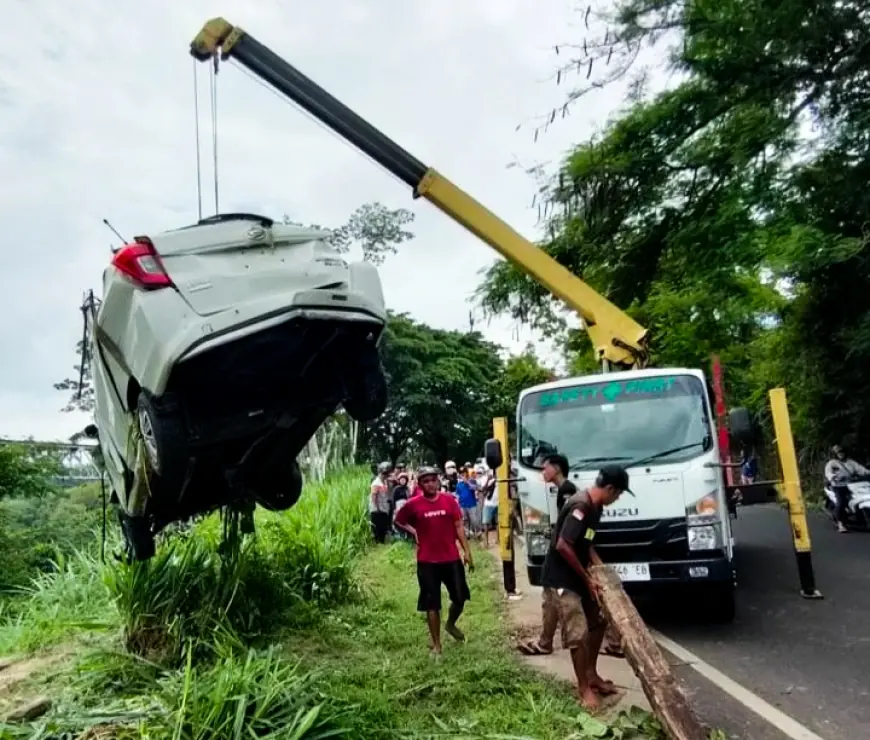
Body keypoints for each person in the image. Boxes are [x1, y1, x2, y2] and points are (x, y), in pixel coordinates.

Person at [540, 464, 633, 709]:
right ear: (610, 488)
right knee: (578, 633)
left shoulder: (596, 508)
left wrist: (601, 572)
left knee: (599, 621)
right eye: (619, 493)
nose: (618, 498)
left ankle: (592, 675)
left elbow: (586, 543)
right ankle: (583, 688)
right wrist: (587, 578)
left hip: (580, 575)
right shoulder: (580, 505)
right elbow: (563, 545)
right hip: (562, 577)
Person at [394, 465, 474, 657]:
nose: (430, 484)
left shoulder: (449, 501)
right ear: (420, 484)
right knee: (432, 604)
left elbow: (458, 525)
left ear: (438, 481)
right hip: (427, 561)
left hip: (451, 558)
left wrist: (467, 551)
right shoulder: (413, 504)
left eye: (433, 480)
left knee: (460, 597)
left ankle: (451, 624)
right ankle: (437, 645)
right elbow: (398, 520)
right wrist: (414, 532)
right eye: (425, 481)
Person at [518, 453, 575, 656]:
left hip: (561, 554)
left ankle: (546, 642)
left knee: (554, 596)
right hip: (560, 552)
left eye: (545, 468)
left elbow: (568, 525)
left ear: (557, 468)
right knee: (552, 596)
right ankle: (546, 640)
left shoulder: (567, 491)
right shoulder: (563, 490)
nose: (543, 472)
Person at [825, 444, 870, 533]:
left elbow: (861, 470)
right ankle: (840, 524)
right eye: (838, 452)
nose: (840, 454)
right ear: (834, 454)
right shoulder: (832, 463)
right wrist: (834, 477)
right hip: (838, 486)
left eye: (842, 452)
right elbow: (828, 473)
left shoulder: (851, 462)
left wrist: (868, 472)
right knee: (841, 502)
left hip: (852, 485)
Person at [369, 461, 393, 544]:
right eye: (386, 474)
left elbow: (387, 494)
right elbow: (373, 497)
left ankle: (381, 543)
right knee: (378, 529)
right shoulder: (376, 483)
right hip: (377, 511)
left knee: (383, 528)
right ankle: (377, 544)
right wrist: (377, 508)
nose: (386, 476)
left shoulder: (384, 483)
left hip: (383, 509)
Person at [456, 469, 480, 536]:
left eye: (464, 473)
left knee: (474, 520)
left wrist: (467, 482)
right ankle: (467, 534)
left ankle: (478, 532)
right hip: (462, 505)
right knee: (465, 520)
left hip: (471, 504)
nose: (462, 475)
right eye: (461, 474)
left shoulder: (472, 481)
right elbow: (458, 495)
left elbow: (475, 488)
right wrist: (458, 504)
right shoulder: (459, 484)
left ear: (467, 473)